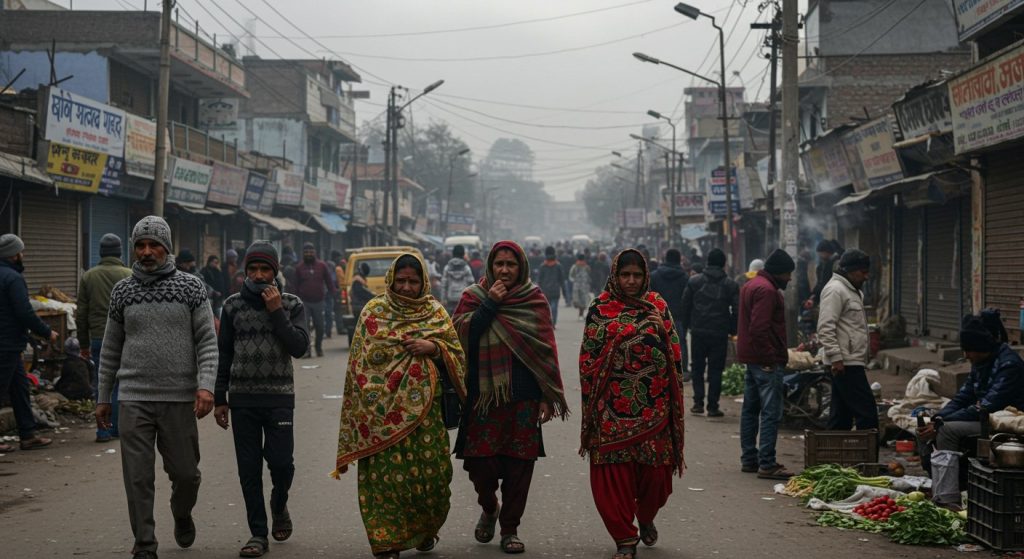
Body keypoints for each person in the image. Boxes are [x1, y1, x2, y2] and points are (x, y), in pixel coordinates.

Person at [95, 216, 219, 559]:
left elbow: (207, 341)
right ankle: (145, 544)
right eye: (140, 245)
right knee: (137, 477)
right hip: (134, 397)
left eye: (154, 245)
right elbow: (110, 348)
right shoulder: (123, 291)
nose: (147, 252)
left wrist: (205, 386)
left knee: (186, 474)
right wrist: (104, 397)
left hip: (178, 399)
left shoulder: (191, 287)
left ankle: (181, 513)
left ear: (167, 248)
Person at [333, 253, 467, 558]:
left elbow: (457, 356)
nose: (406, 287)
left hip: (426, 415)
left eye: (413, 281)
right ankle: (387, 540)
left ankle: (424, 529)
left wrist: (434, 348)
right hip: (380, 416)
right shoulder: (373, 311)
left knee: (432, 479)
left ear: (423, 283)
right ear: (392, 280)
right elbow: (359, 365)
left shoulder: (435, 313)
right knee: (384, 483)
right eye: (401, 280)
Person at [452, 241, 569, 555]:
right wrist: (490, 304)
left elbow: (546, 350)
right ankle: (490, 508)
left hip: (524, 397)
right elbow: (461, 336)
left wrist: (546, 394)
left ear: (522, 268)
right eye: (499, 264)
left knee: (520, 467)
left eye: (511, 265)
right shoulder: (473, 297)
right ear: (490, 266)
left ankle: (509, 529)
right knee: (480, 466)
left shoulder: (534, 299)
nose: (504, 270)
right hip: (483, 397)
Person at [579, 249, 686, 559]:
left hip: (654, 408)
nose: (630, 281)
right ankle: (625, 539)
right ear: (615, 275)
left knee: (656, 481)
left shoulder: (658, 306)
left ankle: (647, 516)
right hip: (611, 408)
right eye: (625, 275)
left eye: (636, 275)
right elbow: (588, 357)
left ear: (645, 276)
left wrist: (661, 330)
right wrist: (593, 405)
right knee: (612, 479)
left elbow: (676, 355)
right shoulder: (600, 307)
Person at [214, 241, 309, 558]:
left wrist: (276, 311)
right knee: (248, 469)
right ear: (244, 270)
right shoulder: (231, 307)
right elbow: (224, 352)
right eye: (252, 269)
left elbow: (299, 347)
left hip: (279, 397)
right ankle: (258, 533)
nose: (257, 275)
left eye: (264, 269)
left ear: (275, 271)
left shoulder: (292, 304)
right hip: (242, 399)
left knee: (282, 464)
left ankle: (279, 502)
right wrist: (220, 398)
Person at [917, 310, 1024, 454]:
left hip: (1003, 422)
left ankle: (947, 476)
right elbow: (963, 397)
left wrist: (940, 423)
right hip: (984, 418)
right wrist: (937, 417)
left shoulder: (1009, 365)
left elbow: (985, 408)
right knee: (923, 424)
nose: (966, 355)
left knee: (945, 430)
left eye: (969, 350)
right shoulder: (980, 363)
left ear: (981, 347)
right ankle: (934, 472)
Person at [737, 249, 795, 480]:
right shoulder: (767, 290)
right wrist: (769, 358)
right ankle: (767, 463)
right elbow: (759, 328)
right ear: (779, 272)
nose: (790, 278)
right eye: (788, 273)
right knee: (771, 412)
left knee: (750, 409)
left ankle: (749, 459)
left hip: (751, 358)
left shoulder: (752, 285)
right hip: (764, 360)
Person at [0, 233, 56, 454]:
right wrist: (47, 332)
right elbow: (24, 312)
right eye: (20, 251)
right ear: (14, 255)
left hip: (9, 343)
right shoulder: (12, 279)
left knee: (19, 388)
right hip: (6, 343)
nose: (23, 255)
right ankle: (27, 433)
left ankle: (27, 434)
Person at [76, 233, 132, 442]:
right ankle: (117, 427)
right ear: (119, 252)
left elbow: (81, 313)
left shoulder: (89, 276)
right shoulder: (129, 274)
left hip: (99, 338)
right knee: (121, 384)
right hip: (126, 338)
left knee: (102, 383)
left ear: (100, 252)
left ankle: (103, 430)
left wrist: (83, 343)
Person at [817, 249, 878, 431]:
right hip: (845, 363)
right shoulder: (835, 290)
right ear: (851, 270)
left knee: (841, 416)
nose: (866, 277)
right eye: (863, 272)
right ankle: (867, 458)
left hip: (850, 361)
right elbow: (825, 327)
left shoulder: (852, 291)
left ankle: (833, 456)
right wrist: (836, 357)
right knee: (867, 414)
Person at [680, 248, 739, 417]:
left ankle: (698, 403)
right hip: (719, 332)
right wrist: (733, 329)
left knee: (697, 368)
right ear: (723, 264)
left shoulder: (694, 281)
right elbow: (736, 309)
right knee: (715, 369)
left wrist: (687, 326)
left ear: (707, 262)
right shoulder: (731, 285)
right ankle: (713, 406)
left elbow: (685, 306)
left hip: (698, 330)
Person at [650, 249, 691, 379]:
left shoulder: (654, 275)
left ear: (665, 259)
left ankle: (658, 368)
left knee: (657, 341)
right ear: (679, 260)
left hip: (658, 315)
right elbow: (687, 299)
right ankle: (682, 369)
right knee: (680, 343)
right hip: (678, 316)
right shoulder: (685, 277)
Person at [294, 242, 334, 358]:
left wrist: (333, 293)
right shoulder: (299, 268)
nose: (309, 254)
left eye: (311, 252)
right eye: (306, 252)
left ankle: (318, 347)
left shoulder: (322, 266)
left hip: (319, 301)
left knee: (320, 326)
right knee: (305, 327)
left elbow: (329, 281)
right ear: (303, 254)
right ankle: (307, 350)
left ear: (315, 253)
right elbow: (295, 286)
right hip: (304, 302)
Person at [441, 245, 476, 315]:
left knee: (451, 321)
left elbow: (444, 284)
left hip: (450, 298)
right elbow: (472, 284)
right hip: (463, 299)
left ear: (453, 254)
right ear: (463, 254)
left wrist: (443, 299)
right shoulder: (466, 268)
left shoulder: (447, 268)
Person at [537, 246, 567, 326]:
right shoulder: (558, 266)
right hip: (555, 290)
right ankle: (553, 323)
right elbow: (562, 280)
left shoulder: (542, 266)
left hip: (545, 290)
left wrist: (537, 291)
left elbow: (539, 280)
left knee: (546, 308)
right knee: (554, 308)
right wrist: (564, 293)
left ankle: (548, 322)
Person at [808, 240, 840, 307]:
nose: (820, 256)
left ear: (826, 252)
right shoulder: (823, 264)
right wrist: (814, 295)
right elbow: (820, 282)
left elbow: (827, 283)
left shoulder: (836, 263)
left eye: (821, 254)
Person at [569, 253, 592, 320]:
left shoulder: (574, 266)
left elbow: (570, 276)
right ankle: (581, 314)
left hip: (577, 286)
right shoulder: (586, 267)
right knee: (582, 301)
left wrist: (574, 281)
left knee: (580, 301)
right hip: (584, 286)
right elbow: (589, 275)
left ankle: (581, 314)